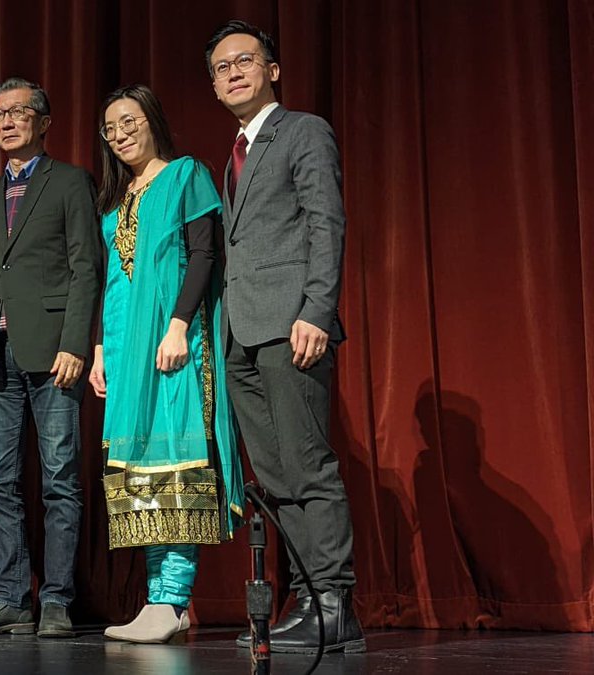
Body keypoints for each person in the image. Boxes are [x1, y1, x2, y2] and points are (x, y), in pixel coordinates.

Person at [206, 20, 364, 653]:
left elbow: (327, 222)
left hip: (292, 324)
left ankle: (334, 604)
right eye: (220, 67)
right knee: (273, 475)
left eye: (245, 60)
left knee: (307, 463)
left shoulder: (303, 131)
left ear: (272, 69)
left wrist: (317, 311)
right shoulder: (235, 153)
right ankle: (306, 599)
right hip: (242, 332)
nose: (233, 72)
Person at [88, 85, 244, 644]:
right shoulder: (114, 202)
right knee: (142, 469)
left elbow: (205, 254)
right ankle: (158, 601)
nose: (121, 133)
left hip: (175, 344)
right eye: (110, 127)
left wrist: (179, 324)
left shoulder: (186, 175)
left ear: (153, 120)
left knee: (176, 459)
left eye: (129, 120)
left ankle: (172, 597)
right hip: (128, 352)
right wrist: (102, 349)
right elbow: (112, 280)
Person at [0, 78, 100, 639]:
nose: (7, 121)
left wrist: (76, 343)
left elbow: (87, 266)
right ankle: (10, 597)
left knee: (60, 477)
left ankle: (57, 600)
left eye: (19, 111)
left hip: (52, 350)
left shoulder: (70, 183)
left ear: (44, 121)